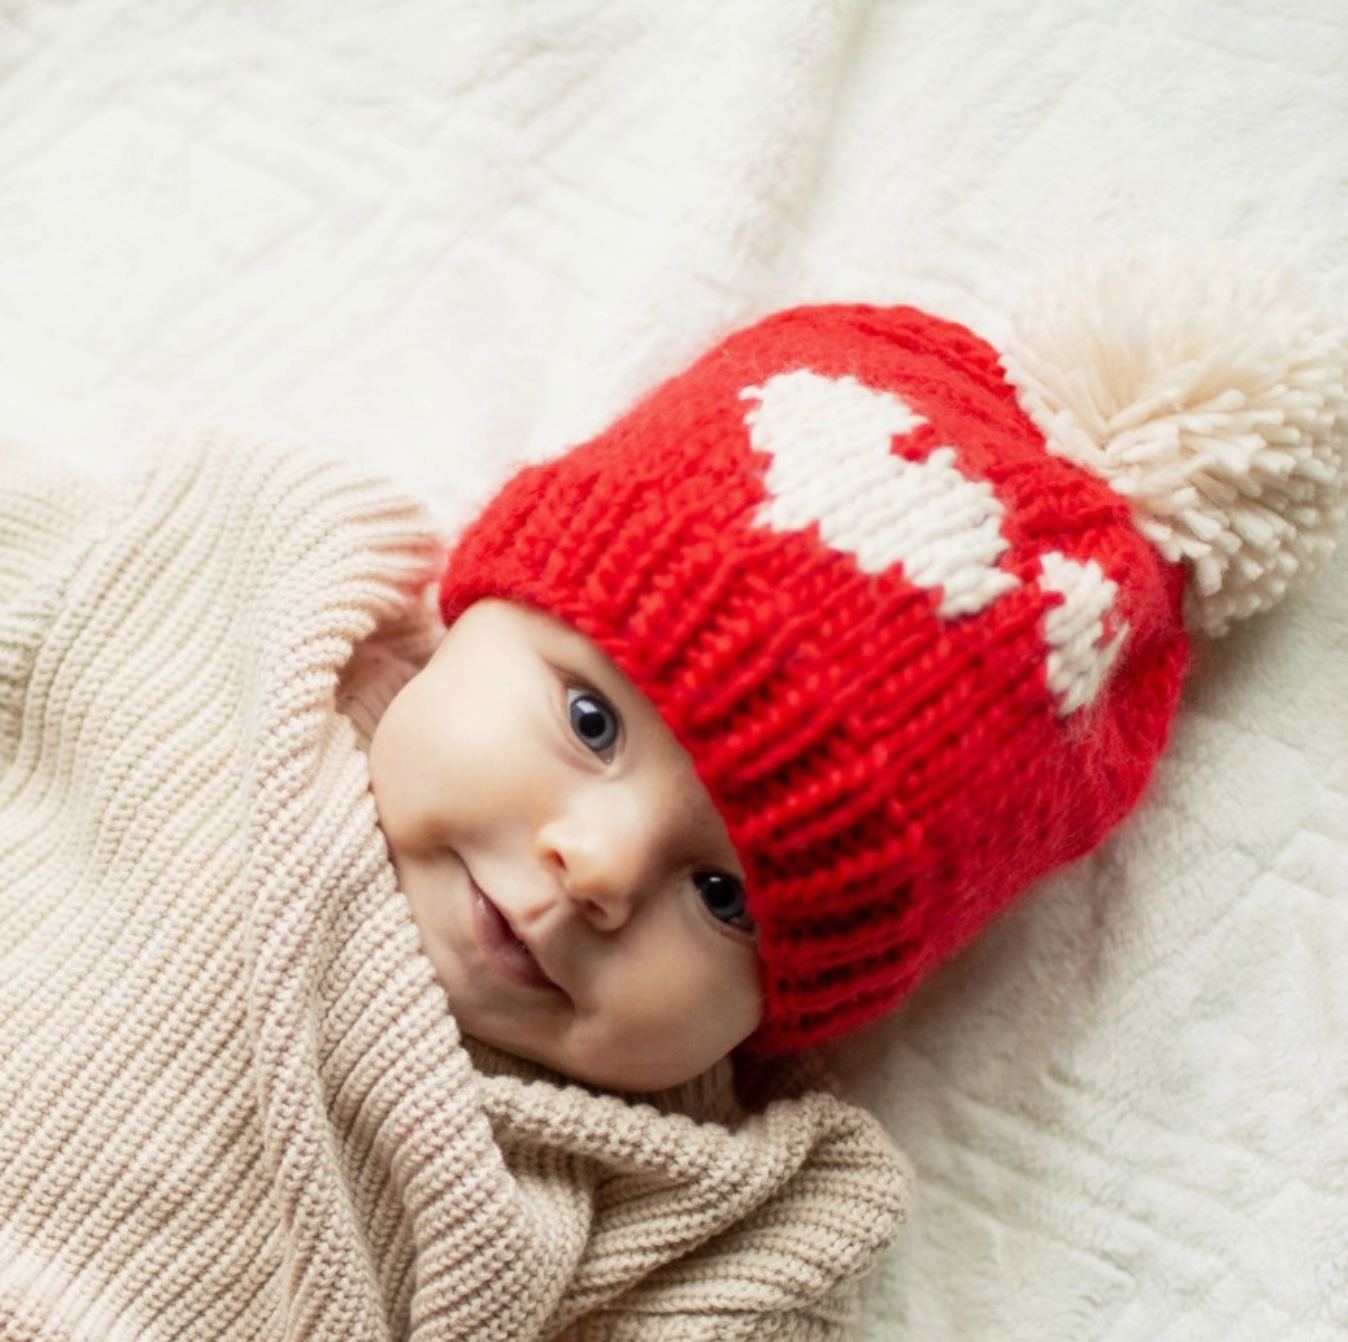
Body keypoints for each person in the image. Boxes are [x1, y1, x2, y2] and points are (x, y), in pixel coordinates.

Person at [1, 252, 1343, 1341]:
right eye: (589, 719)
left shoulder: (680, 1200)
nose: (595, 869)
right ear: (485, 600)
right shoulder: (236, 616)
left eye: (723, 898)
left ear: (786, 1012)